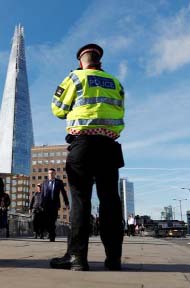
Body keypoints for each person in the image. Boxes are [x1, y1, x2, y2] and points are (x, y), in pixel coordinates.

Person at [49, 44, 125, 271]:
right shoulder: (115, 82)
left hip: (82, 145)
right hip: (109, 146)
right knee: (110, 202)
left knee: (80, 201)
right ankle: (113, 259)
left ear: (81, 61)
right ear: (99, 62)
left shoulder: (75, 78)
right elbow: (120, 112)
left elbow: (57, 108)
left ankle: (77, 258)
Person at [41, 168, 69, 242]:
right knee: (47, 221)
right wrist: (41, 204)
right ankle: (50, 233)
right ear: (48, 174)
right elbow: (42, 194)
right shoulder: (44, 182)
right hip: (46, 205)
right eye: (49, 173)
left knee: (53, 220)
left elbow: (63, 193)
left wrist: (66, 202)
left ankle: (52, 236)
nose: (50, 174)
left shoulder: (59, 182)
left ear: (55, 174)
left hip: (55, 205)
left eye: (52, 173)